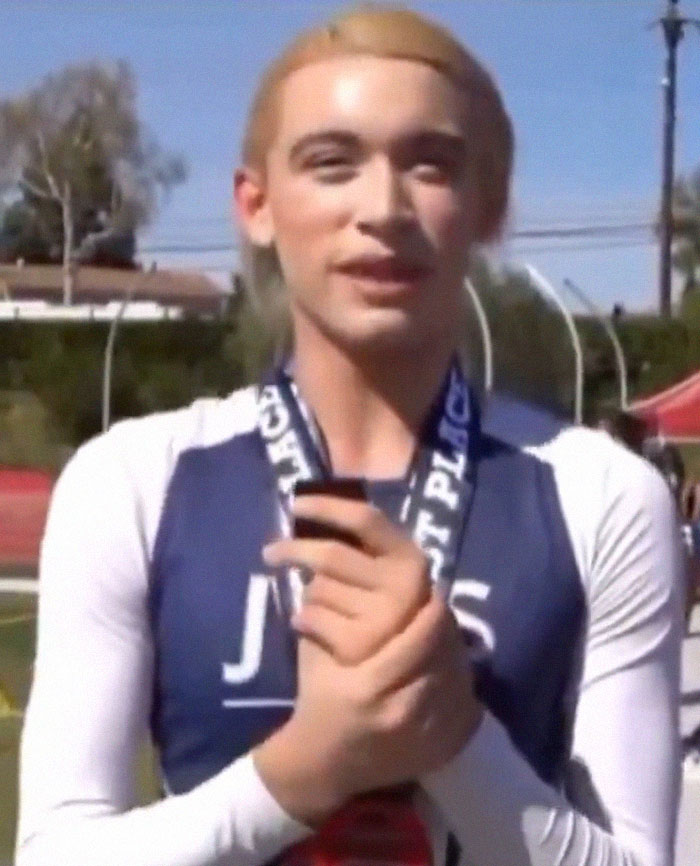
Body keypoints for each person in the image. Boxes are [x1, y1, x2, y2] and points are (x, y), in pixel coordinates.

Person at [15, 6, 684, 866]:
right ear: (255, 206)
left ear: (488, 205)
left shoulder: (603, 495)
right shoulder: (132, 484)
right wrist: (299, 773)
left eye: (432, 164)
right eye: (331, 163)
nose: (383, 207)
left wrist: (456, 739)